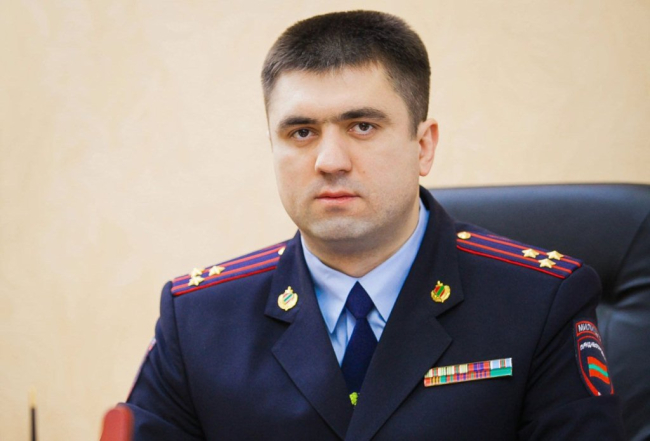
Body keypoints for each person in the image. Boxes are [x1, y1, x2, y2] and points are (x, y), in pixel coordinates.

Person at [124, 10, 624, 440]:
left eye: (362, 126)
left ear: (423, 146)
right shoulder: (199, 318)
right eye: (301, 132)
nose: (329, 161)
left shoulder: (539, 301)